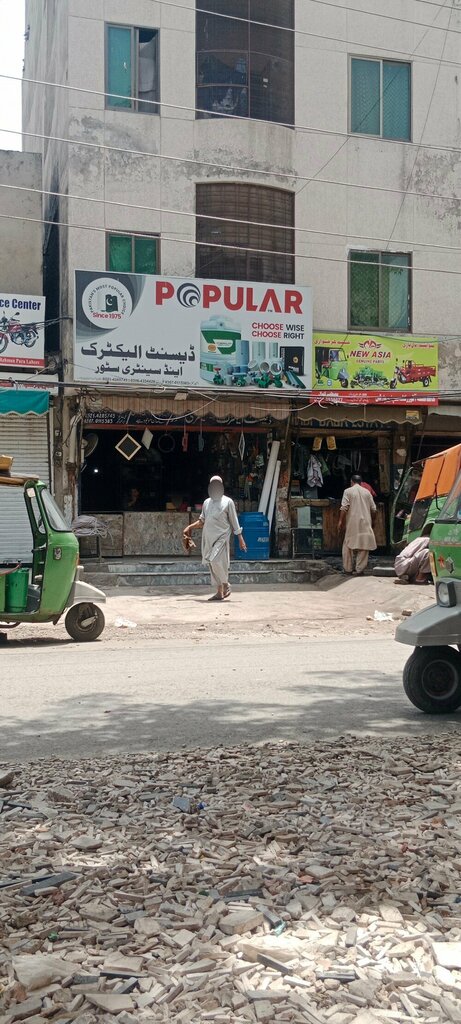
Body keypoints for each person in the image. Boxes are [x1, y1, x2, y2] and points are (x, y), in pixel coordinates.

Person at [182, 476, 247, 600]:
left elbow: (234, 521)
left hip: (221, 538)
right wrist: (189, 527)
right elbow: (202, 521)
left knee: (215, 561)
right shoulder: (207, 502)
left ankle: (226, 584)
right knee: (212, 565)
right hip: (208, 538)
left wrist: (240, 538)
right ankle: (219, 592)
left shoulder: (228, 502)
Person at [339, 473, 377, 575]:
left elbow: (344, 508)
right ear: (361, 483)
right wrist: (373, 521)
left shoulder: (347, 491)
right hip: (366, 522)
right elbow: (374, 509)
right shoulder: (367, 492)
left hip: (352, 522)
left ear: (351, 482)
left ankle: (348, 569)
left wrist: (340, 521)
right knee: (364, 545)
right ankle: (360, 569)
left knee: (347, 545)